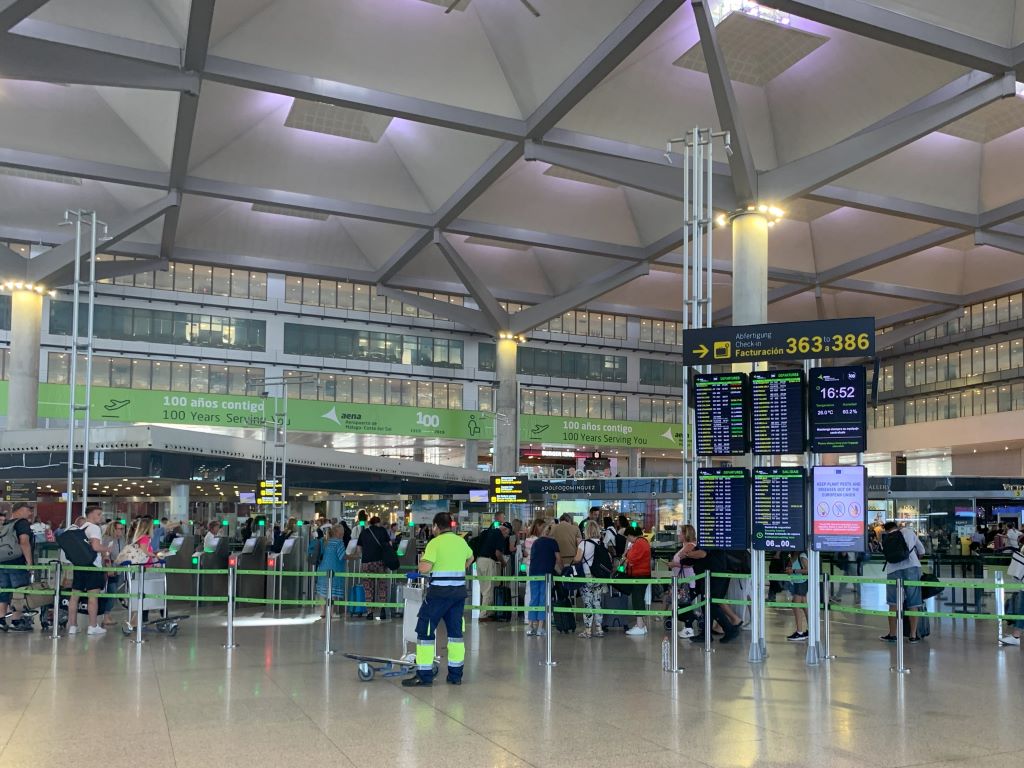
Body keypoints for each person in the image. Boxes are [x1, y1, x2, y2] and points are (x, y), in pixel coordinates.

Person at [403, 512, 473, 687]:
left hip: (438, 595)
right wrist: (460, 567)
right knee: (456, 635)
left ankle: (425, 675)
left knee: (425, 632)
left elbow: (425, 568)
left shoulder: (435, 543)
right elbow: (471, 557)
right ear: (451, 525)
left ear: (435, 526)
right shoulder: (461, 541)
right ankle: (455, 676)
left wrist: (422, 565)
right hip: (458, 594)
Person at [880, 520, 926, 643]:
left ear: (887, 530)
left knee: (893, 603)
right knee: (913, 601)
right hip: (911, 568)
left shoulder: (885, 538)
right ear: (897, 526)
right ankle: (912, 635)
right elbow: (922, 551)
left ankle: (893, 634)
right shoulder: (908, 532)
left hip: (892, 570)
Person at [69, 506, 108, 636]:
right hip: (93, 566)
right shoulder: (94, 528)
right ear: (90, 514)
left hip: (79, 565)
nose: (100, 516)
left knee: (74, 597)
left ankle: (73, 626)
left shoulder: (81, 528)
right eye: (98, 514)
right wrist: (106, 549)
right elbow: (96, 547)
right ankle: (92, 626)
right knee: (93, 598)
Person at [0, 502, 35, 633]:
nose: (30, 513)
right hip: (17, 562)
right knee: (19, 591)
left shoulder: (7, 523)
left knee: (4, 590)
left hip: (3, 561)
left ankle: (1, 619)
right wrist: (29, 563)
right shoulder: (22, 523)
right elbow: (24, 542)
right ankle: (16, 620)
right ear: (19, 510)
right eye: (28, 510)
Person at [526, 523, 560, 637]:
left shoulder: (536, 542)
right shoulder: (553, 542)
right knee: (543, 599)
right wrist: (562, 570)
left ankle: (530, 626)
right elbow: (558, 558)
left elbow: (532, 557)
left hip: (533, 572)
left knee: (534, 598)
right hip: (546, 573)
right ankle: (540, 627)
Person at [574, 520, 605, 638]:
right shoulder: (601, 543)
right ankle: (599, 629)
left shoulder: (583, 544)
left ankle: (587, 630)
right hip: (599, 577)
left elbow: (577, 559)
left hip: (587, 576)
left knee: (587, 603)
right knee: (597, 602)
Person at [357, 516, 392, 621]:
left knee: (368, 587)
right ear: (379, 522)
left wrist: (365, 553)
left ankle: (369, 612)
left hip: (367, 563)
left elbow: (359, 549)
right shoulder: (383, 531)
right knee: (382, 586)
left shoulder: (364, 532)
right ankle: (382, 610)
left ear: (370, 523)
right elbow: (389, 545)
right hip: (380, 563)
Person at [475, 521, 510, 621]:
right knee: (489, 589)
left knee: (484, 589)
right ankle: (483, 615)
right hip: (489, 562)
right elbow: (498, 553)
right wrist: (503, 562)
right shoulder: (498, 535)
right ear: (504, 530)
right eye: (507, 534)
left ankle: (489, 612)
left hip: (479, 561)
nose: (506, 536)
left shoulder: (487, 532)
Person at [623, 526, 651, 636]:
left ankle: (640, 625)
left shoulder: (639, 543)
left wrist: (627, 552)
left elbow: (631, 557)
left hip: (640, 575)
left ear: (631, 535)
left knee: (637, 598)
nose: (628, 539)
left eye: (628, 537)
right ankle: (641, 625)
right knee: (637, 597)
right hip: (641, 574)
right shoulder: (642, 542)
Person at [315, 525, 346, 618]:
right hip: (334, 569)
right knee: (333, 592)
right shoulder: (339, 542)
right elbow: (342, 556)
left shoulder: (325, 541)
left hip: (323, 569)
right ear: (338, 533)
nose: (343, 534)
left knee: (324, 592)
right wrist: (354, 556)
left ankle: (323, 612)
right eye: (342, 532)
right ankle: (331, 612)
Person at [100, 520, 126, 627]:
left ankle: (108, 613)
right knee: (111, 592)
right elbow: (105, 555)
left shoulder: (122, 540)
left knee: (114, 592)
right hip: (110, 570)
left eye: (122, 528)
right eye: (119, 528)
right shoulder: (107, 539)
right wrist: (109, 568)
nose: (122, 530)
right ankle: (106, 616)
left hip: (119, 569)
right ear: (113, 529)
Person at [785, 551, 809, 642]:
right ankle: (810, 630)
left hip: (801, 583)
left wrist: (793, 571)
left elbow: (807, 570)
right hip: (797, 583)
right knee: (804, 607)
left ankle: (799, 632)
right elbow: (790, 563)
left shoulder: (802, 556)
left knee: (796, 606)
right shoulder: (792, 555)